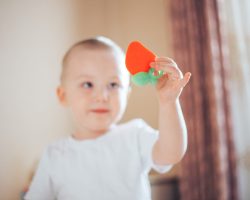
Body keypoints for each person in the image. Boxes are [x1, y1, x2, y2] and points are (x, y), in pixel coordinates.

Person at [24, 36, 191, 200]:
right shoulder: (55, 155)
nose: (102, 96)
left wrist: (169, 102)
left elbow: (171, 154)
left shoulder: (135, 135)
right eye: (87, 84)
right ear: (63, 95)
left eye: (113, 85)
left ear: (127, 93)